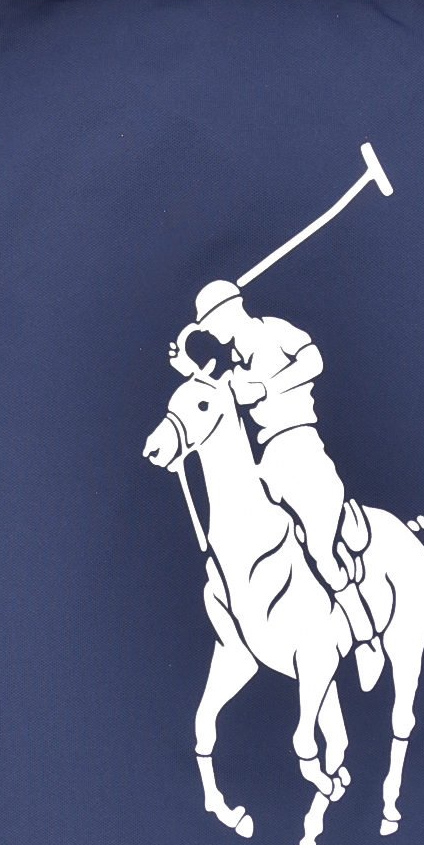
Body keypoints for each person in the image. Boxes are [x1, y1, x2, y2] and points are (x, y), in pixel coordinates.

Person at [171, 277, 380, 659]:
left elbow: (314, 361)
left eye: (211, 323)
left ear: (230, 310)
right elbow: (210, 399)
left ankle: (366, 637)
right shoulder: (232, 366)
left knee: (320, 550)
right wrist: (190, 370)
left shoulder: (275, 330)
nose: (211, 333)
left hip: (301, 446)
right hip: (266, 458)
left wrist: (266, 387)